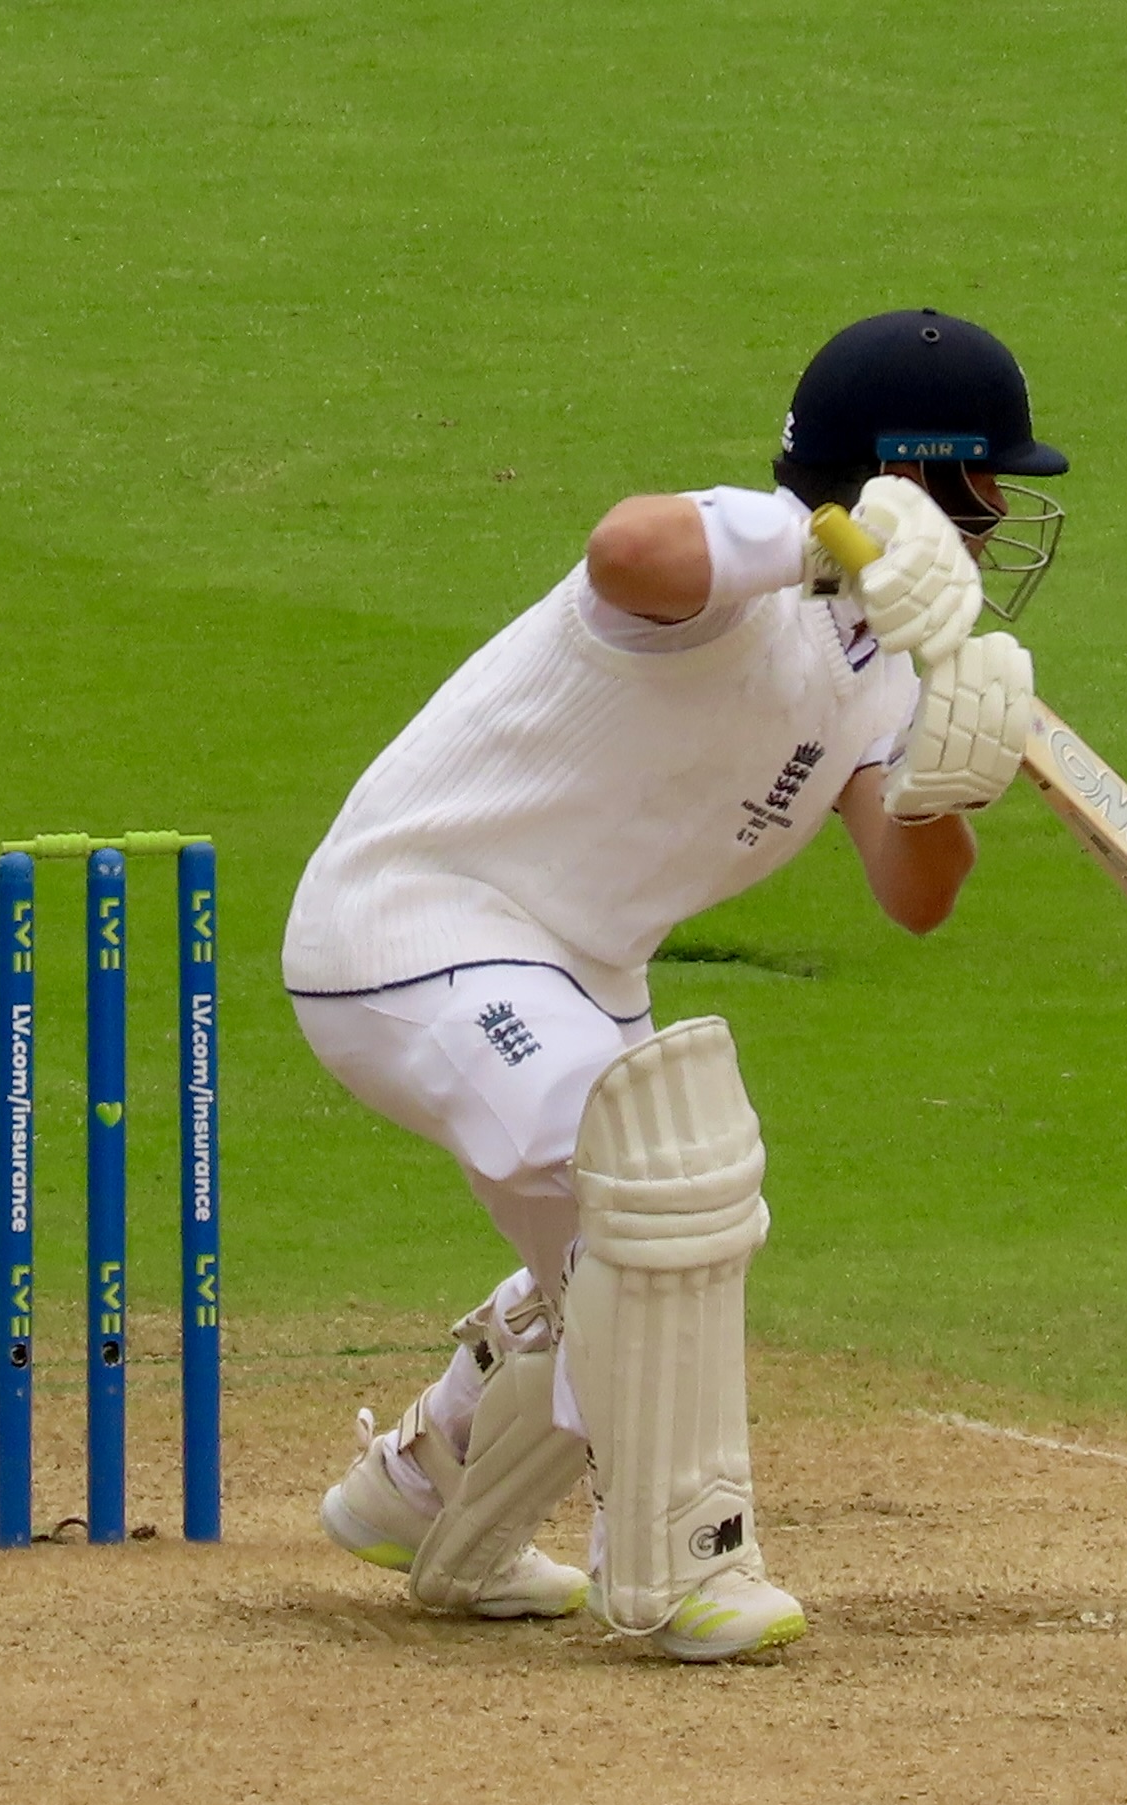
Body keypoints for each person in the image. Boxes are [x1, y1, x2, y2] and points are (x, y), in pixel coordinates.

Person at [284, 309, 1068, 1661]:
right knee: (661, 1172)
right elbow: (623, 548)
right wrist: (824, 542)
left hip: (576, 970)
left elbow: (915, 894)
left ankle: (423, 1493)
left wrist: (946, 780)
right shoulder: (730, 572)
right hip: (412, 925)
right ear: (910, 477)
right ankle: (676, 1565)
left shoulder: (879, 662)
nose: (1001, 516)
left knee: (646, 1251)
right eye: (986, 483)